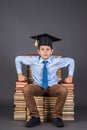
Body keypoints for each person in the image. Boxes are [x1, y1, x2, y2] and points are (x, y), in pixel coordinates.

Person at [15, 33, 75, 127]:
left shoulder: (56, 61)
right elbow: (18, 59)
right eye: (42, 49)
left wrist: (70, 75)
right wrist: (19, 74)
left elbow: (71, 61)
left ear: (52, 51)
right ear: (38, 51)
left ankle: (57, 117)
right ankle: (35, 117)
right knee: (26, 89)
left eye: (48, 49)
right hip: (38, 87)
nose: (45, 52)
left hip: (53, 87)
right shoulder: (33, 60)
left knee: (63, 90)